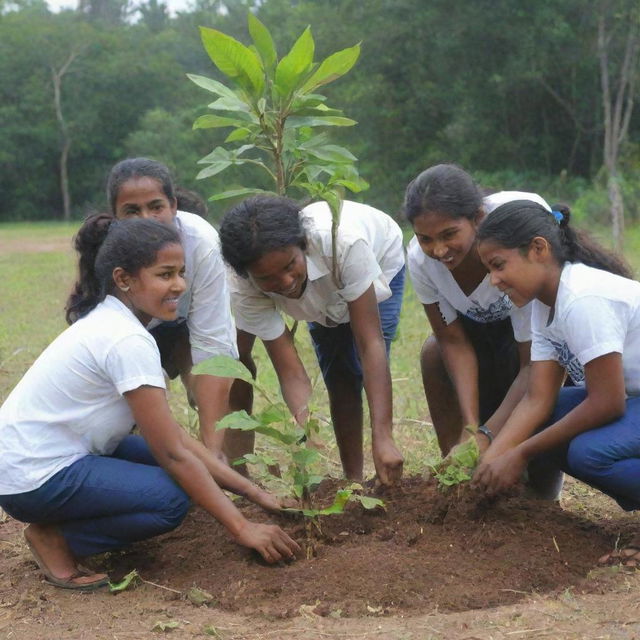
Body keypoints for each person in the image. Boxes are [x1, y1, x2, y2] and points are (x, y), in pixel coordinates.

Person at [0, 216, 299, 591]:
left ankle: (63, 528)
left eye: (181, 273)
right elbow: (174, 455)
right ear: (124, 279)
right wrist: (242, 527)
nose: (179, 286)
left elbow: (173, 438)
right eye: (165, 275)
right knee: (170, 497)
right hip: (34, 477)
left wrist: (253, 493)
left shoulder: (115, 322)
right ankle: (58, 539)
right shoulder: (126, 339)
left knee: (174, 465)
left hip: (49, 455)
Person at [471, 200, 639, 562]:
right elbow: (537, 399)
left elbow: (608, 402)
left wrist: (521, 453)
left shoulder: (582, 299)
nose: (493, 280)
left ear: (538, 249)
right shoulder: (542, 305)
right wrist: (488, 461)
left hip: (626, 400)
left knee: (590, 453)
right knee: (551, 414)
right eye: (488, 269)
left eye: (499, 266)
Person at [218, 195, 406, 485]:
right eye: (267, 278)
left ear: (303, 245)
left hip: (378, 261)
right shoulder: (242, 285)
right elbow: (289, 369)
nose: (284, 282)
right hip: (322, 289)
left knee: (359, 362)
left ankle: (381, 453)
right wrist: (307, 431)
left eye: (289, 265)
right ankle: (353, 481)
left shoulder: (343, 244)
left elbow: (371, 344)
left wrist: (384, 437)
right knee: (339, 372)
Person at [404, 164, 552, 458]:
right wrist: (471, 428)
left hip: (541, 341)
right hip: (479, 335)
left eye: (449, 234)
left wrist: (488, 434)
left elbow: (532, 363)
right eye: (426, 239)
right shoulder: (420, 261)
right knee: (433, 353)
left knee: (532, 483)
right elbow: (452, 341)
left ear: (478, 219)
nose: (439, 249)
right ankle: (457, 472)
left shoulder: (513, 237)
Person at [106, 158, 237, 460]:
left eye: (156, 206)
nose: (147, 219)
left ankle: (235, 475)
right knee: (125, 408)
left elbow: (212, 344)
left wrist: (213, 453)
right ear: (114, 215)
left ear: (174, 205)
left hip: (188, 322)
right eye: (131, 211)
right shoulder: (103, 252)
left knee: (233, 380)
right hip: (134, 335)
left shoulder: (201, 243)